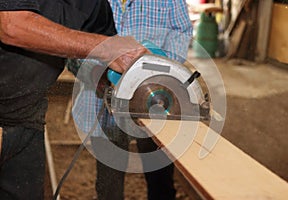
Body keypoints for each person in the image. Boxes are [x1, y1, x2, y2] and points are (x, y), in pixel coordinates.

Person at [0, 0, 147, 199]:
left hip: (26, 116)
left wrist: (122, 79)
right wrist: (108, 49)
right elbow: (11, 25)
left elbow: (104, 52)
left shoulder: (94, 5)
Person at [69, 0, 193, 199]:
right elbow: (70, 42)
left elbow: (181, 31)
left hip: (154, 104)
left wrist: (162, 72)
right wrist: (94, 74)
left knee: (160, 178)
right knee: (109, 186)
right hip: (103, 103)